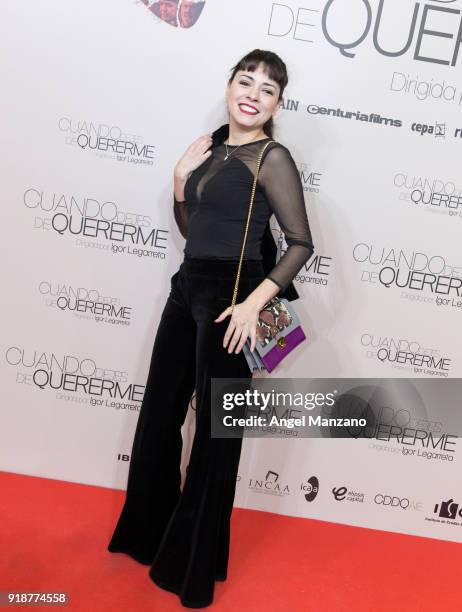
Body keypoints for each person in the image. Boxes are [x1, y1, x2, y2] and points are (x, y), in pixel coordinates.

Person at [107, 48, 315, 608]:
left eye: (267, 89)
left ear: (276, 103)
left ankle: (191, 565)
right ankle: (148, 534)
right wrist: (179, 182)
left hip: (235, 299)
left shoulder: (272, 157)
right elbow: (195, 230)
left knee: (215, 439)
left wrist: (253, 305)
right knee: (158, 417)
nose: (253, 93)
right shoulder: (211, 152)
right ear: (229, 87)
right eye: (245, 81)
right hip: (186, 289)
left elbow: (300, 244)